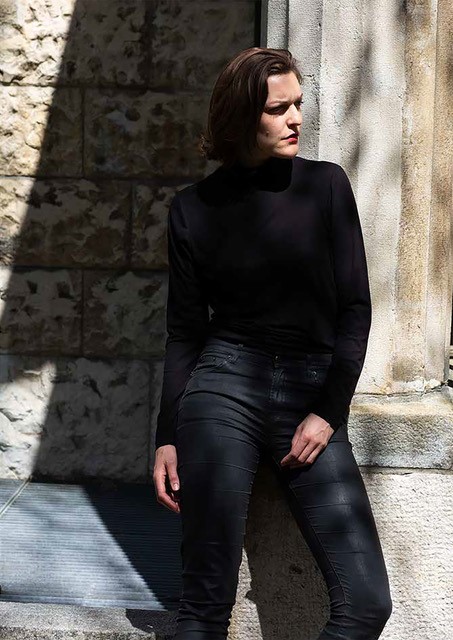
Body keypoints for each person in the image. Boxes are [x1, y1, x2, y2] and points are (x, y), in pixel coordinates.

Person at [153, 47, 393, 640]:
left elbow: (355, 309)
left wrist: (328, 411)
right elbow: (185, 332)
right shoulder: (192, 210)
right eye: (278, 109)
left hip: (309, 392)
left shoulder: (325, 185)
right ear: (242, 117)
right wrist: (166, 436)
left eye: (298, 105)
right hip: (222, 388)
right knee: (203, 606)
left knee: (366, 603)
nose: (296, 119)